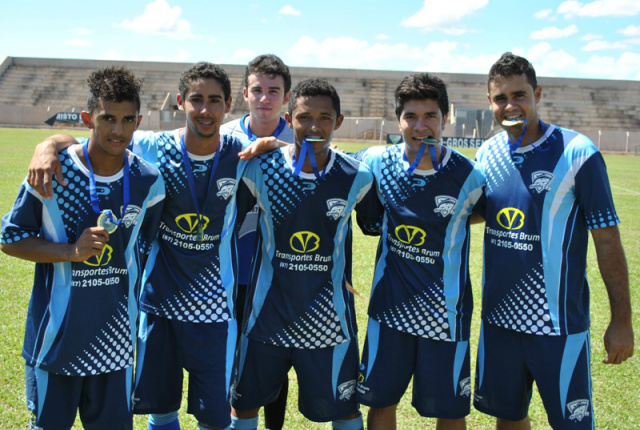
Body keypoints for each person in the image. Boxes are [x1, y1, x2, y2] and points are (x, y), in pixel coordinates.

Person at [25, 62, 280, 430]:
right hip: (158, 305)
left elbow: (297, 155)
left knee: (215, 416)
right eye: (196, 99)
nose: (205, 110)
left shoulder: (241, 152)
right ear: (180, 102)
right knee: (160, 410)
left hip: (214, 310)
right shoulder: (151, 145)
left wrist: (290, 142)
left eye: (214, 101)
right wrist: (47, 144)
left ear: (228, 106)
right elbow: (91, 139)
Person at [473, 52, 634, 430]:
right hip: (499, 322)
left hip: (557, 325)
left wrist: (621, 322)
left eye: (519, 95)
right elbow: (478, 213)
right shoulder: (487, 153)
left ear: (537, 94)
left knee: (571, 425)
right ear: (490, 103)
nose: (510, 105)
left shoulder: (577, 153)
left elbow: (607, 240)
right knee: (508, 417)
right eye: (500, 98)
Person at [0, 66, 165, 430]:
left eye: (126, 120)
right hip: (55, 339)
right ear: (89, 118)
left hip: (115, 341)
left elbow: (145, 246)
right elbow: (10, 239)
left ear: (138, 121)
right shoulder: (51, 172)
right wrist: (70, 252)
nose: (117, 130)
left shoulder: (149, 181)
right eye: (107, 118)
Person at [230, 79, 379, 430]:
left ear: (338, 122)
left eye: (324, 118)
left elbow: (374, 224)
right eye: (304, 117)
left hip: (329, 321)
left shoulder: (357, 177)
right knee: (244, 404)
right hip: (266, 318)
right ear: (288, 118)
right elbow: (235, 223)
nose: (314, 126)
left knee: (345, 409)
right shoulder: (258, 169)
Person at [352, 73, 485, 430]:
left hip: (446, 315)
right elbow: (326, 163)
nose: (420, 125)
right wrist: (272, 144)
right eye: (411, 116)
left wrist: (451, 222)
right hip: (388, 310)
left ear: (446, 119)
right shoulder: (376, 161)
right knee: (380, 403)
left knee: (451, 411)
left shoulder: (470, 175)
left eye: (430, 116)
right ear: (399, 119)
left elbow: (485, 212)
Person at [219, 54, 294, 430]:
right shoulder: (225, 137)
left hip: (279, 272)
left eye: (273, 91)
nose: (264, 98)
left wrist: (279, 149)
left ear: (287, 96)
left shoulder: (301, 140)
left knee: (273, 356)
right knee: (232, 353)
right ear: (244, 94)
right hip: (230, 268)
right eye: (257, 90)